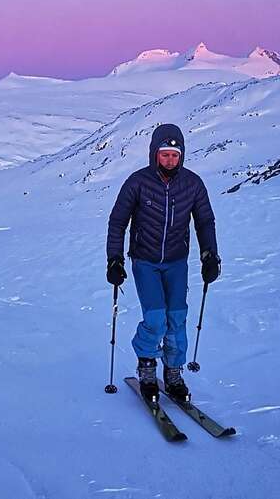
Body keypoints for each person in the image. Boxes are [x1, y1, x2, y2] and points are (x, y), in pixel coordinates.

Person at [106, 122, 220, 402]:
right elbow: (118, 221)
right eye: (164, 154)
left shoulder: (192, 184)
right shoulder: (138, 182)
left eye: (175, 154)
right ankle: (147, 365)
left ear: (182, 155)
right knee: (156, 316)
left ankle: (173, 371)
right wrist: (114, 260)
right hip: (145, 261)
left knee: (177, 316)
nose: (170, 159)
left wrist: (209, 255)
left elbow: (204, 221)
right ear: (154, 154)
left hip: (176, 261)